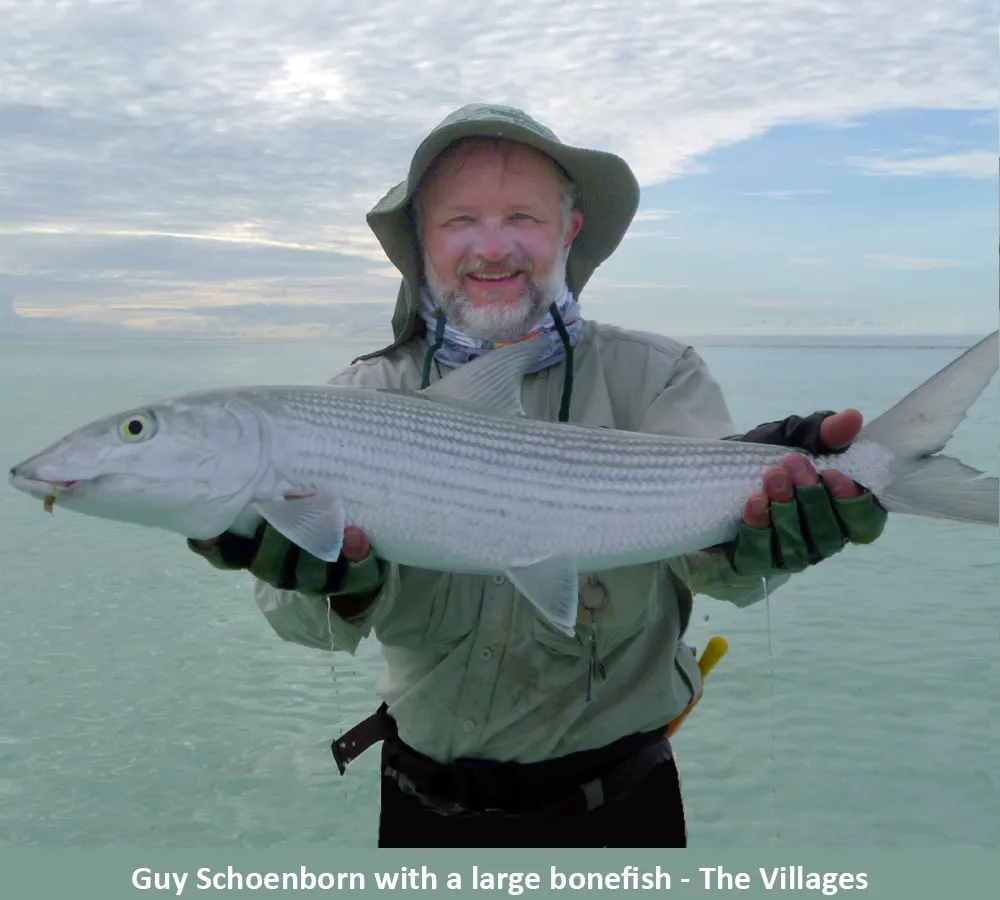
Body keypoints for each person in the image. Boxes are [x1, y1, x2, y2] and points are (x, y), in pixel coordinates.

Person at [188, 103, 887, 848]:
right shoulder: (356, 399)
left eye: (522, 216)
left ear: (568, 230)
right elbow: (299, 625)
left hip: (620, 808)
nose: (493, 249)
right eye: (460, 221)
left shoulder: (655, 375)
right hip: (420, 806)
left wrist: (755, 533)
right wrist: (338, 591)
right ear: (420, 239)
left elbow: (718, 568)